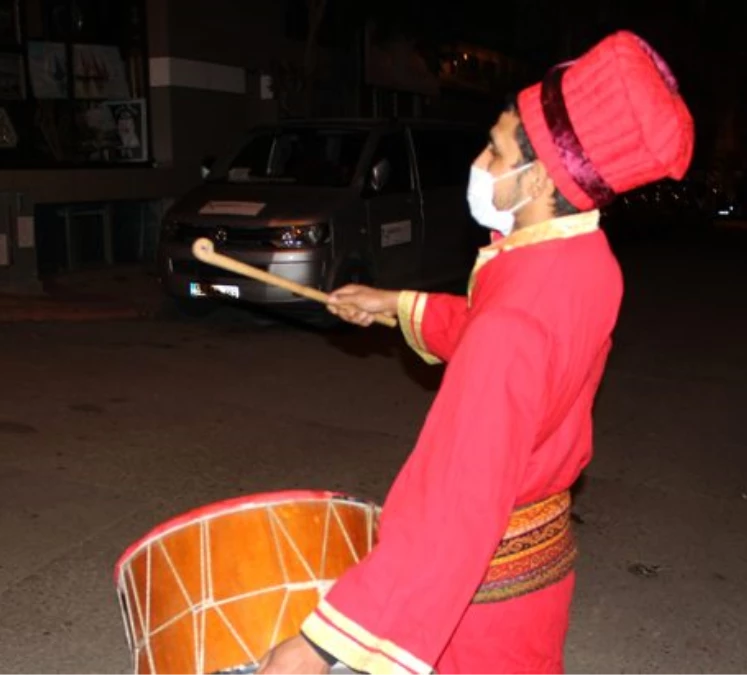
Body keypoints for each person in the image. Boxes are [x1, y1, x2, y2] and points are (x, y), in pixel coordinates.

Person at [257, 30, 694, 675]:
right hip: (538, 574)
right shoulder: (583, 260)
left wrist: (318, 646)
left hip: (482, 602)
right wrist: (398, 304)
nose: (481, 162)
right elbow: (512, 340)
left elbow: (455, 502)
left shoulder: (516, 319)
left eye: (494, 149)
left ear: (541, 175)